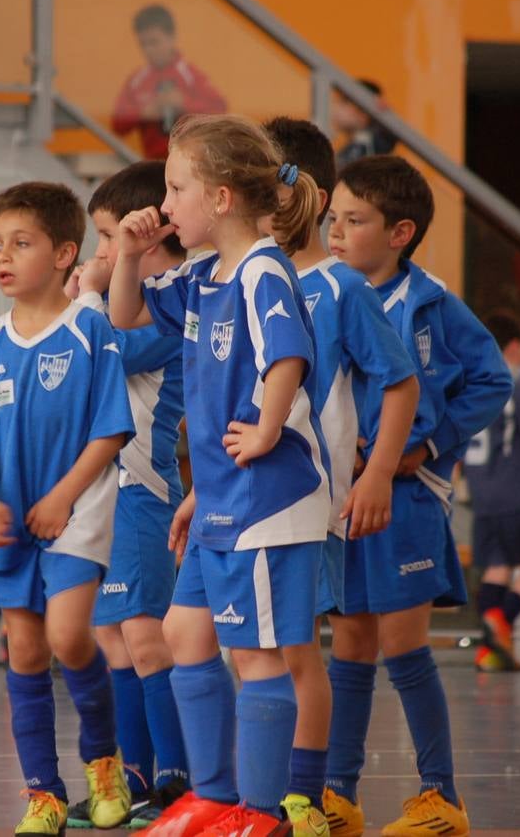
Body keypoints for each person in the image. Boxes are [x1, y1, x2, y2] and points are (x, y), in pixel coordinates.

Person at [109, 113, 331, 836]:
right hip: (220, 502)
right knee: (183, 634)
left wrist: (267, 426)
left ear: (223, 198)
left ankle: (259, 814)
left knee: (256, 655)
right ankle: (212, 794)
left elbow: (286, 355)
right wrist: (128, 252)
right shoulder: (204, 273)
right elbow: (126, 314)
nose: (166, 204)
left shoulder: (263, 268)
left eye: (176, 188)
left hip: (267, 499)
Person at [320, 154, 510, 837]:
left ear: (399, 232)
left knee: (402, 645)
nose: (335, 232)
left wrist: (428, 446)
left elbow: (491, 381)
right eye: (331, 218)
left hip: (407, 497)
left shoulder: (430, 302)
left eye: (354, 220)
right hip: (339, 497)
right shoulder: (322, 293)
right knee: (347, 643)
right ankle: (337, 795)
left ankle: (440, 797)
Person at [265, 116, 421, 836]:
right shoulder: (239, 279)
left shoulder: (338, 289)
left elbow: (400, 382)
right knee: (232, 648)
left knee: (296, 647)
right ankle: (250, 793)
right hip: (236, 503)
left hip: (306, 504)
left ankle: (307, 797)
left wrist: (379, 473)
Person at [0, 182, 135, 835]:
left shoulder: (91, 328)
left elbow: (111, 429)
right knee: (24, 649)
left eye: (21, 243)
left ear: (66, 253)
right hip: (9, 516)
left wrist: (63, 496)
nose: (3, 257)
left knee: (68, 637)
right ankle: (44, 794)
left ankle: (102, 761)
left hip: (78, 507)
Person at [58, 160, 192, 829]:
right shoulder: (135, 299)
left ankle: (176, 775)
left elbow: (98, 349)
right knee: (112, 638)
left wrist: (85, 292)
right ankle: (136, 775)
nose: (97, 254)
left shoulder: (172, 309)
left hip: (142, 491)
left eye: (108, 237)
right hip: (104, 496)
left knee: (145, 637)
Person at [461, 310, 520, 673]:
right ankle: (503, 618)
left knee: (496, 567)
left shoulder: (471, 382)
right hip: (518, 493)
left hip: (482, 494)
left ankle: (489, 651)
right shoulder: (509, 384)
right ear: (514, 347)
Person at [111, 4, 227, 160]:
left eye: (154, 42)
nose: (149, 49)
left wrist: (183, 104)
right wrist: (143, 113)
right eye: (143, 44)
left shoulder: (189, 75)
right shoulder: (137, 80)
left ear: (172, 38)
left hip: (190, 161)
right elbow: (117, 124)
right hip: (152, 162)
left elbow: (219, 109)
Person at [332, 80, 397, 168]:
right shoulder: (349, 149)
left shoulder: (373, 141)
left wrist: (382, 111)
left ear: (361, 109)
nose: (336, 107)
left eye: (344, 101)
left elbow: (390, 134)